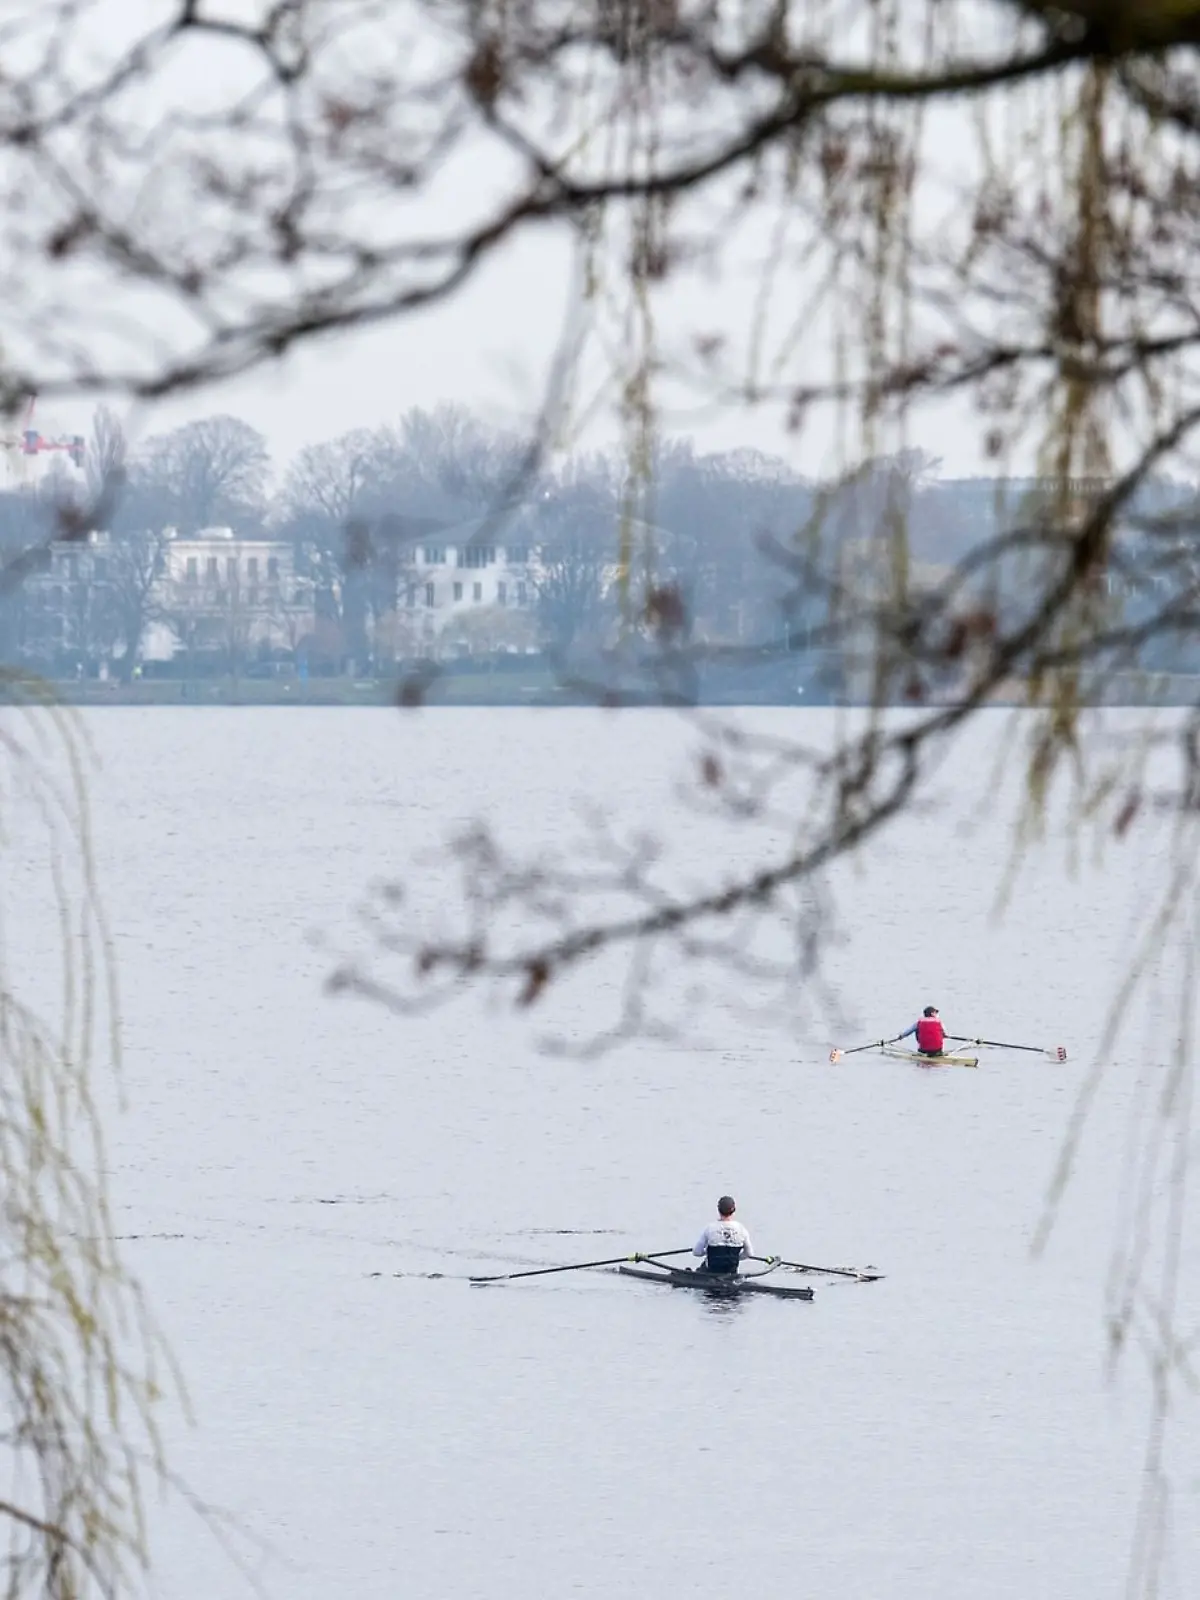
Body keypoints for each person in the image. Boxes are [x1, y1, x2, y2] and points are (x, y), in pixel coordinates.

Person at [692, 1195, 753, 1275]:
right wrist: (736, 1258)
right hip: (731, 1272)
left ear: (718, 1209)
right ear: (734, 1210)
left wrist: (707, 1252)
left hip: (711, 1271)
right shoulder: (742, 1229)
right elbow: (749, 1254)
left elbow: (696, 1252)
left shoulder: (710, 1228)